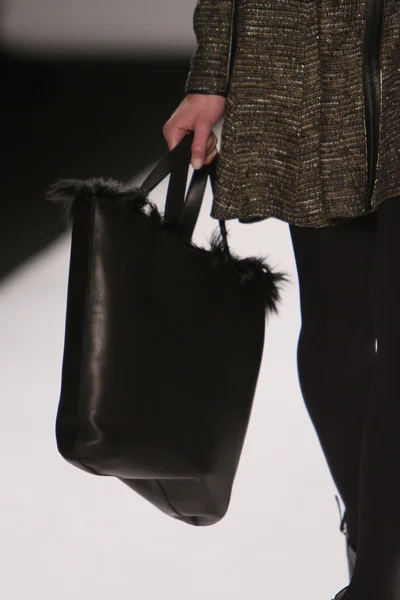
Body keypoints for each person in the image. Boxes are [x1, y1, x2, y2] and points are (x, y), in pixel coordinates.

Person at [163, 2, 400, 599]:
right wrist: (211, 73)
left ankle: (376, 576)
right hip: (308, 48)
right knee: (338, 318)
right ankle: (374, 542)